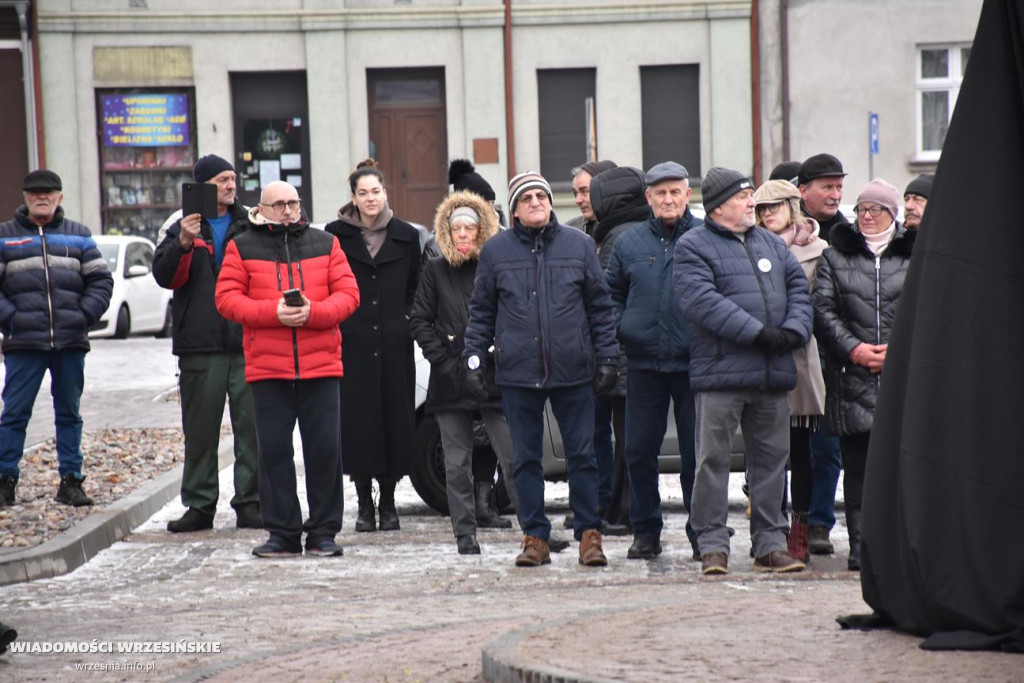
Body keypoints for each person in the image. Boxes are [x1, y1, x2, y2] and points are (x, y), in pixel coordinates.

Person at [464, 171, 619, 568]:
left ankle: (589, 535)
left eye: (542, 196)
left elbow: (600, 308)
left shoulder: (579, 246)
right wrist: (475, 359)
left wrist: (607, 358)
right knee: (525, 460)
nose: (536, 202)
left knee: (583, 456)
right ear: (514, 210)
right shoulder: (496, 251)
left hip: (573, 369)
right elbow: (481, 311)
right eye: (527, 198)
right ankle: (535, 537)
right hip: (518, 372)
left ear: (551, 203)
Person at [675, 167, 812, 575]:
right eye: (743, 197)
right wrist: (757, 334)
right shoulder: (692, 246)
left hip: (772, 374)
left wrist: (793, 331)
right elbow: (702, 302)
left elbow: (800, 292)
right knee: (711, 462)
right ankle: (713, 547)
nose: (752, 203)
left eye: (750, 195)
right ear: (718, 207)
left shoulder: (771, 244)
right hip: (720, 376)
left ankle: (770, 543)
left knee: (772, 463)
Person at [216, 180, 360, 558]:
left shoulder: (325, 243)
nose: (287, 210)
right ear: (260, 209)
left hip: (321, 367)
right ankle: (281, 533)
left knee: (325, 452)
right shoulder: (241, 246)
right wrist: (273, 314)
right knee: (274, 453)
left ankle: (323, 533)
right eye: (278, 204)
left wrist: (313, 313)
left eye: (293, 203)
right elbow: (227, 300)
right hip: (268, 370)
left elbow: (348, 296)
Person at [410, 191, 523, 554]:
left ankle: (533, 529)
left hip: (493, 376)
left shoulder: (495, 266)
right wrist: (442, 359)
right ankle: (465, 533)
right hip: (449, 380)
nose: (462, 234)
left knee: (513, 456)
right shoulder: (435, 269)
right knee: (456, 463)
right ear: (446, 231)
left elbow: (511, 313)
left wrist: (497, 351)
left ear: (481, 231)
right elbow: (420, 320)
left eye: (469, 228)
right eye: (455, 228)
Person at [153, 154, 262, 532]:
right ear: (202, 186)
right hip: (200, 346)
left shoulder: (250, 222)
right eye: (222, 180)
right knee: (200, 431)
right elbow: (165, 277)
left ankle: (251, 502)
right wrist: (183, 241)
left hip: (247, 342)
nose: (231, 186)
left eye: (233, 179)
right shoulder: (180, 226)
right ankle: (200, 506)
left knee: (253, 429)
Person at [813, 178, 914, 571]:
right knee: (856, 470)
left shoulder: (913, 254)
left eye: (876, 210)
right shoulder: (837, 255)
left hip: (900, 377)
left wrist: (898, 351)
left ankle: (900, 545)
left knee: (901, 470)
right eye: (861, 209)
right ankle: (861, 545)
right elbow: (822, 310)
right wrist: (854, 349)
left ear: (893, 214)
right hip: (850, 376)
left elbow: (926, 308)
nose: (867, 217)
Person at [605, 161, 702, 561]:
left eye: (674, 192)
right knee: (639, 452)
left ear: (687, 195)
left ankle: (702, 533)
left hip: (694, 365)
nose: (667, 199)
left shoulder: (704, 238)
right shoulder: (628, 244)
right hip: (642, 365)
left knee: (698, 455)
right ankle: (646, 531)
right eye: (659, 193)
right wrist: (622, 329)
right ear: (648, 197)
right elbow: (610, 296)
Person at [0, 170, 113, 507]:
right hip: (24, 344)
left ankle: (71, 481)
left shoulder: (79, 236)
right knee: (15, 413)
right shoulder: (5, 237)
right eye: (35, 193)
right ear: (25, 197)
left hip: (69, 342)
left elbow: (101, 281)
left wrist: (83, 316)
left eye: (48, 193)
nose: (42, 198)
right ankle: (5, 479)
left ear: (60, 197)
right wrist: (12, 319)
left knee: (69, 413)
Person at [325, 160, 421, 533]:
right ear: (353, 197)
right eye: (362, 193)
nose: (370, 199)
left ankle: (389, 501)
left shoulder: (406, 235)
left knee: (395, 420)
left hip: (395, 344)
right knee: (359, 422)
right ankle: (364, 502)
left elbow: (416, 284)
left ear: (386, 193)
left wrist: (408, 321)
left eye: (376, 191)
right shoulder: (336, 235)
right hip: (352, 342)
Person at [752, 179, 828, 562]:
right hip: (758, 357)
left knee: (800, 453)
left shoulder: (819, 250)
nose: (768, 214)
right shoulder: (747, 246)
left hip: (799, 356)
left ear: (792, 207)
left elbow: (819, 303)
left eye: (775, 206)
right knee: (764, 454)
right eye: (762, 208)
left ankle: (799, 530)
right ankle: (768, 533)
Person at [797, 152, 848, 556]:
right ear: (803, 191)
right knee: (791, 448)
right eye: (827, 186)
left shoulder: (848, 234)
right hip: (796, 355)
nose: (835, 194)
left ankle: (819, 524)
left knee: (827, 446)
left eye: (838, 186)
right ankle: (791, 522)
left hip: (836, 357)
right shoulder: (791, 235)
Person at [566, 160, 618, 236]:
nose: (578, 200)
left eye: (584, 191)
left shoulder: (629, 230)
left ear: (605, 191)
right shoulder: (570, 231)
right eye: (575, 193)